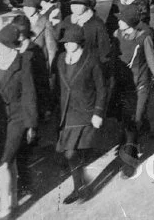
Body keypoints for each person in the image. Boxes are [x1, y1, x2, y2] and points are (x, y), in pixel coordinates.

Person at [0, 22, 38, 219]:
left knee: (2, 163)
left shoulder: (23, 63)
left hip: (17, 118)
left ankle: (4, 206)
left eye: (0, 44)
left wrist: (31, 125)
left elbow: (29, 95)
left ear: (10, 46)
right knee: (10, 161)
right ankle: (14, 198)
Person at [54, 23, 105, 204]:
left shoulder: (91, 59)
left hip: (86, 110)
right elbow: (57, 85)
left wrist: (98, 112)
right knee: (70, 153)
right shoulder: (61, 59)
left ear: (80, 42)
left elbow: (101, 88)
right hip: (67, 111)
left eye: (71, 41)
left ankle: (79, 186)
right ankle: (80, 184)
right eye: (65, 41)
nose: (67, 44)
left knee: (70, 153)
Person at [110, 4, 154, 176]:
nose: (118, 22)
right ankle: (142, 130)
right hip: (124, 86)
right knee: (128, 119)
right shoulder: (116, 35)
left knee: (135, 121)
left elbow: (151, 58)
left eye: (122, 20)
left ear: (130, 23)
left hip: (140, 85)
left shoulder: (143, 38)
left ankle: (130, 160)